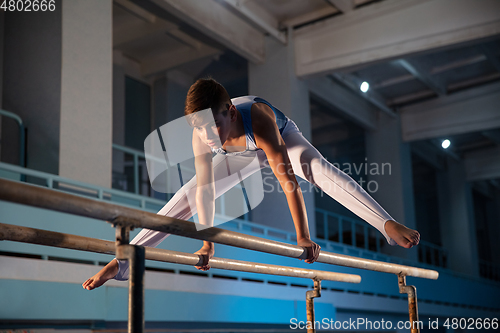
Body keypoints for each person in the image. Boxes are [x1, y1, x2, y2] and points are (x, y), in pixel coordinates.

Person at [82, 78, 419, 290]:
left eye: (213, 125)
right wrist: (208, 241)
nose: (207, 136)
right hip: (240, 153)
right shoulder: (203, 134)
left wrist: (302, 235)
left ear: (229, 112)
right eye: (199, 129)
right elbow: (206, 193)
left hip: (279, 137)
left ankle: (385, 223)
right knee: (189, 193)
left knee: (317, 168)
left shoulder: (257, 118)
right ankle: (122, 260)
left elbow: (288, 182)